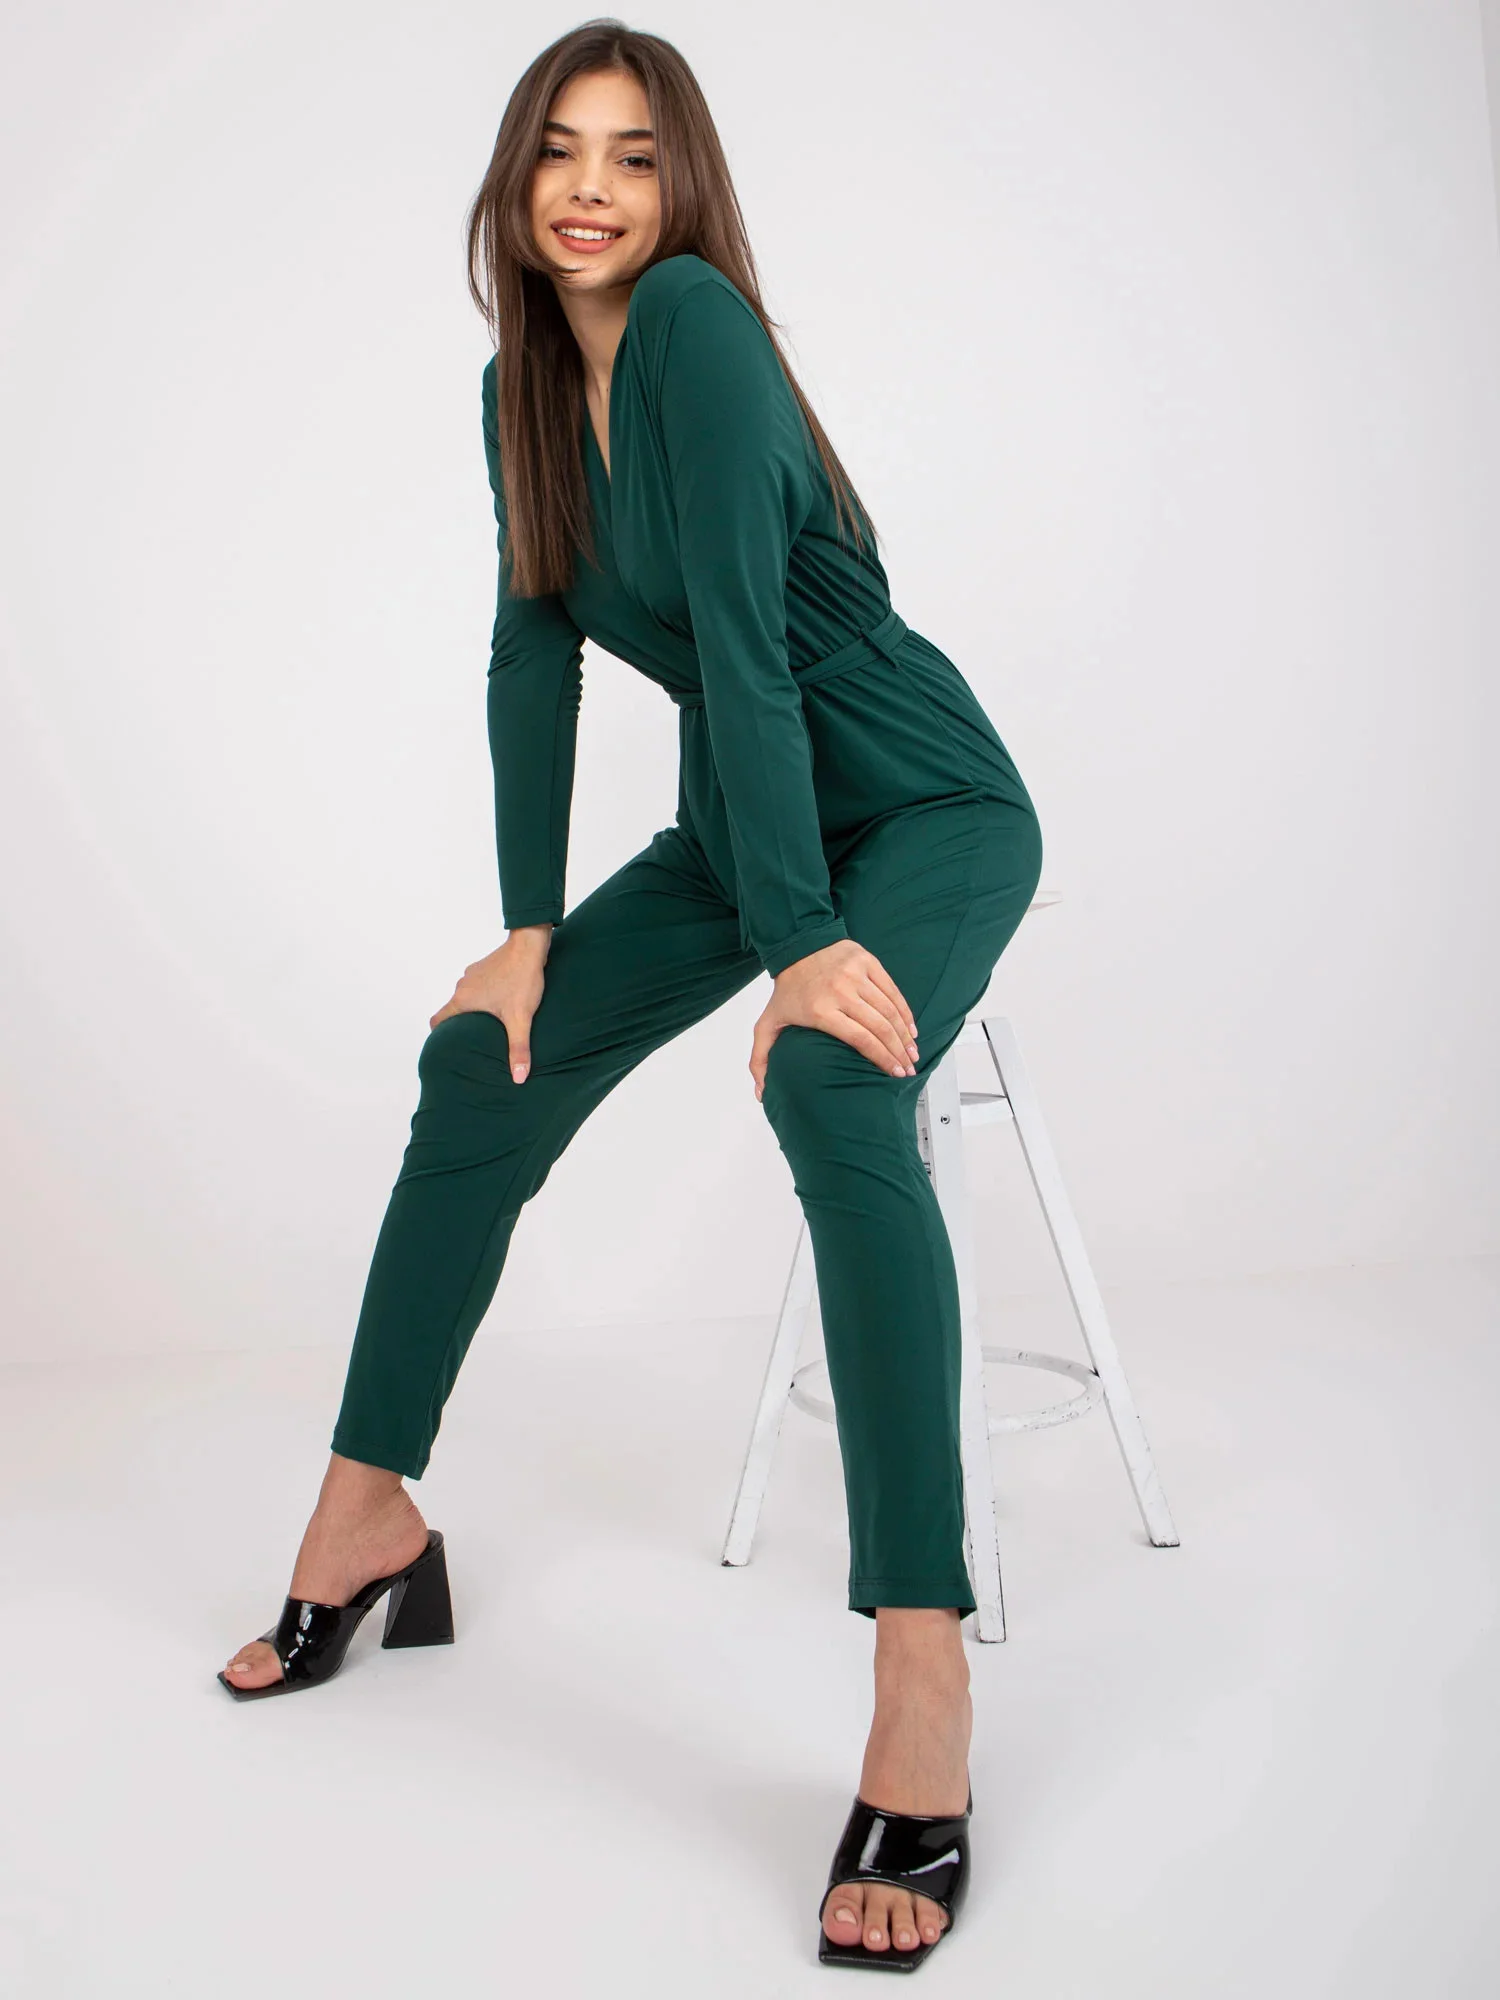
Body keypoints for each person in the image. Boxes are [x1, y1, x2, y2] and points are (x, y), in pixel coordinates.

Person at [217, 20, 1043, 1973]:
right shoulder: (519, 382)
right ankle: (367, 1516)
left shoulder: (695, 327)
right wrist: (525, 930)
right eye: (561, 150)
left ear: (684, 190)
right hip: (741, 830)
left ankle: (923, 1668)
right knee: (477, 1065)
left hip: (914, 802)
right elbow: (535, 652)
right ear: (514, 176)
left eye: (637, 155)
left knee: (829, 1090)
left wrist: (803, 938)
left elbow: (748, 645)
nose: (592, 188)